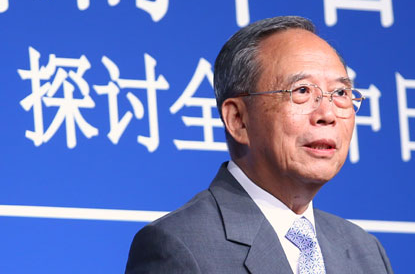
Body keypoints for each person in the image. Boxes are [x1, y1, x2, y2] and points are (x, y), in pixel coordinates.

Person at [125, 16, 393, 273]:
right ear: (238, 119)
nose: (328, 114)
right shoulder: (180, 245)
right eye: (302, 91)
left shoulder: (365, 252)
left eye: (341, 93)